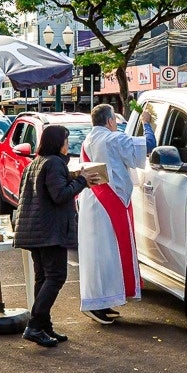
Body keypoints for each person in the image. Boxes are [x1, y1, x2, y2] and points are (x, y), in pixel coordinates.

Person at [13, 125, 101, 347]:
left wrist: (74, 177)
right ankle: (34, 326)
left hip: (35, 230)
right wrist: (82, 181)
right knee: (56, 277)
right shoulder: (53, 163)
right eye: (65, 141)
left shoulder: (37, 163)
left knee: (43, 278)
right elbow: (60, 195)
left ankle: (43, 325)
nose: (67, 145)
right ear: (57, 142)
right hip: (49, 231)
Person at [77, 104, 155, 324]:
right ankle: (97, 303)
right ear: (110, 121)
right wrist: (146, 123)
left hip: (95, 199)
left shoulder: (89, 139)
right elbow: (148, 146)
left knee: (100, 255)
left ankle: (102, 301)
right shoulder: (112, 139)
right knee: (107, 254)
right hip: (108, 201)